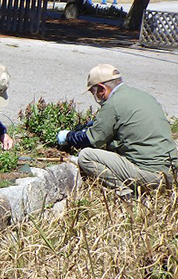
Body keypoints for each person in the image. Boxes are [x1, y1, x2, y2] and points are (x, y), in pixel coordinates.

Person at [57, 63, 177, 193]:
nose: (95, 96)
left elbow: (93, 140)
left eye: (93, 92)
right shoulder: (145, 96)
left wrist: (68, 137)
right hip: (171, 175)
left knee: (86, 156)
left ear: (102, 89)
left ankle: (125, 195)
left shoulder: (113, 104)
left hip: (149, 177)